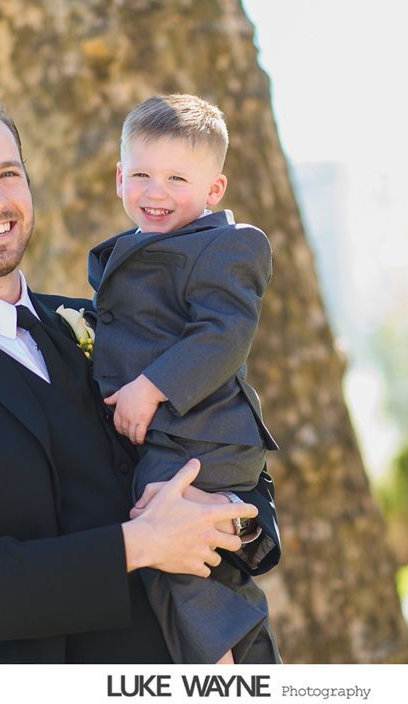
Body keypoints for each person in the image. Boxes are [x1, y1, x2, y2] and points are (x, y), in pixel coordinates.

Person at [0, 93, 280, 664]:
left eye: (7, 174)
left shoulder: (98, 321)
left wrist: (227, 524)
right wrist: (138, 545)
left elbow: (224, 436)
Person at [88, 94, 279, 664]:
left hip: (204, 436)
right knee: (177, 553)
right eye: (141, 174)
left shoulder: (228, 245)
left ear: (212, 190)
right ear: (120, 176)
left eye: (177, 177)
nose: (155, 191)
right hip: (176, 437)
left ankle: (230, 673)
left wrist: (150, 386)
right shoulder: (139, 247)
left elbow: (223, 335)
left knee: (165, 541)